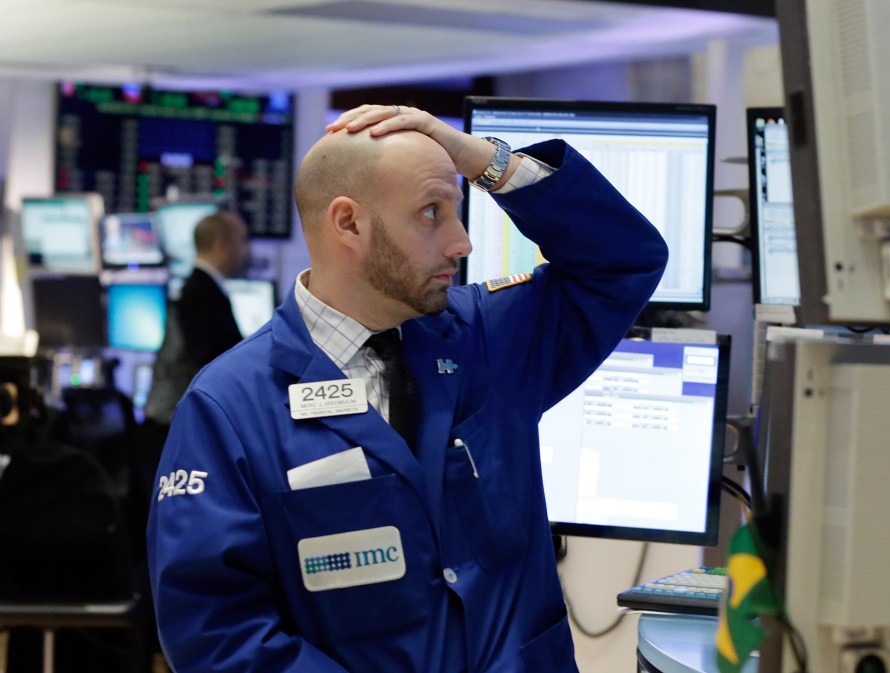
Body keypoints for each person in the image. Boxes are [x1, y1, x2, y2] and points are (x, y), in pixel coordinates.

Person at [147, 104, 669, 673]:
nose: (461, 242)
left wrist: (481, 160)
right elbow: (216, 634)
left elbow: (624, 261)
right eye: (431, 213)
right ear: (348, 223)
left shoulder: (489, 340)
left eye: (457, 209)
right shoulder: (230, 406)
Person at [143, 210, 249, 431]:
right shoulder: (202, 293)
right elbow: (211, 363)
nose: (247, 250)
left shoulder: (199, 287)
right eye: (243, 240)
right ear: (222, 244)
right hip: (177, 425)